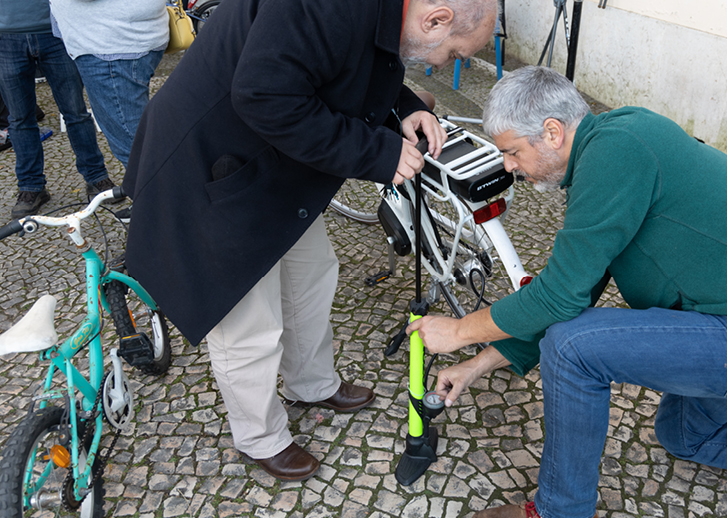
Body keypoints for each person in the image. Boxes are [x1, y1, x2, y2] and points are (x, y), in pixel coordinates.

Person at [122, 0, 498, 481]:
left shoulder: (380, 11)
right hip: (216, 166)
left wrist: (401, 108)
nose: (443, 64)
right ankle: (260, 436)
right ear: (436, 19)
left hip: (278, 163)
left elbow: (349, 63)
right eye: (454, 52)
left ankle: (311, 383)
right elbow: (264, 96)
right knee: (248, 321)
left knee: (312, 275)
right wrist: (377, 151)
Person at [407, 66, 727, 518]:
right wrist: (480, 364)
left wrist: (459, 330)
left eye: (512, 152)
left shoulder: (616, 154)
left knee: (573, 347)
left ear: (552, 132)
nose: (508, 167)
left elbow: (558, 298)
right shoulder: (618, 137)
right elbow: (578, 287)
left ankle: (559, 511)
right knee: (684, 435)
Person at [0, 0, 116, 219]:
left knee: (76, 113)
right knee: (19, 119)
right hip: (6, 36)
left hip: (57, 31)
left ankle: (96, 176)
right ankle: (31, 187)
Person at [48, 0, 169, 170]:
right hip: (117, 39)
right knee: (139, 145)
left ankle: (163, 195)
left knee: (137, 153)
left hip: (112, 43)